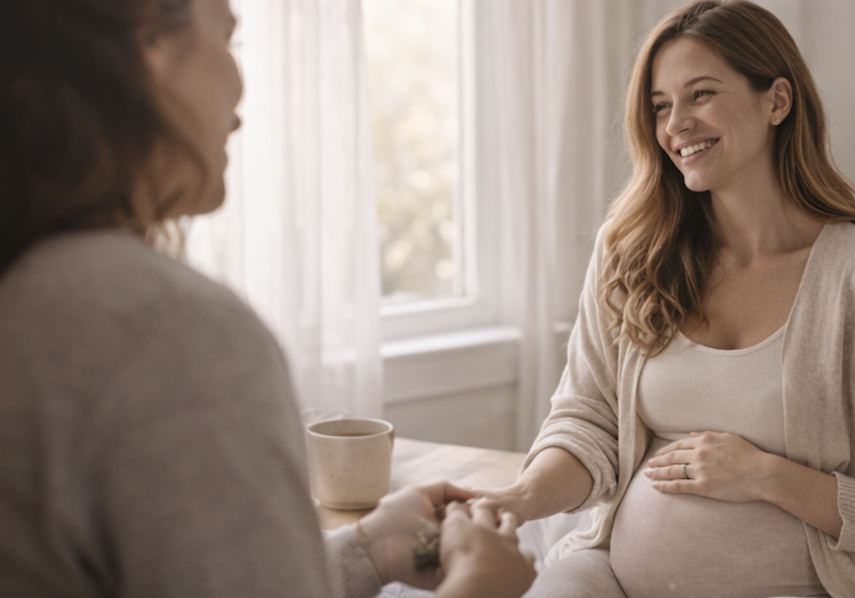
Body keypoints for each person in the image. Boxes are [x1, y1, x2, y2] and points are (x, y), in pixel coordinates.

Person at [0, 0, 536, 597]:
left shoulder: (30, 287)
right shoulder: (168, 330)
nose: (240, 93)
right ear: (147, 39)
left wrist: (369, 549)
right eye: (230, 38)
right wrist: (480, 584)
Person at [474, 1, 855, 597]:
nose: (674, 123)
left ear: (777, 101)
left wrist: (768, 477)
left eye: (700, 94)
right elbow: (589, 422)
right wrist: (519, 497)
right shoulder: (631, 252)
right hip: (614, 578)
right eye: (661, 106)